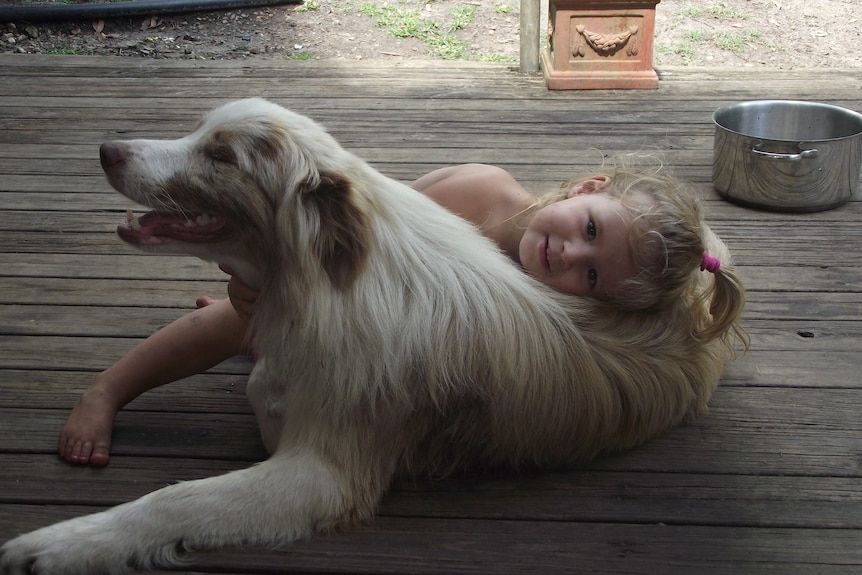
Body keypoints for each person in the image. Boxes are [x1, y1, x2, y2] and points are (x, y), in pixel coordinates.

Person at [57, 161, 747, 467]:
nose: (567, 254)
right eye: (588, 227)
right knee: (232, 320)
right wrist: (274, 303)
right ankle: (110, 387)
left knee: (262, 342)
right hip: (335, 285)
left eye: (591, 275)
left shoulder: (543, 314)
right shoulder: (480, 193)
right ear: (587, 187)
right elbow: (361, 232)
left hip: (367, 352)